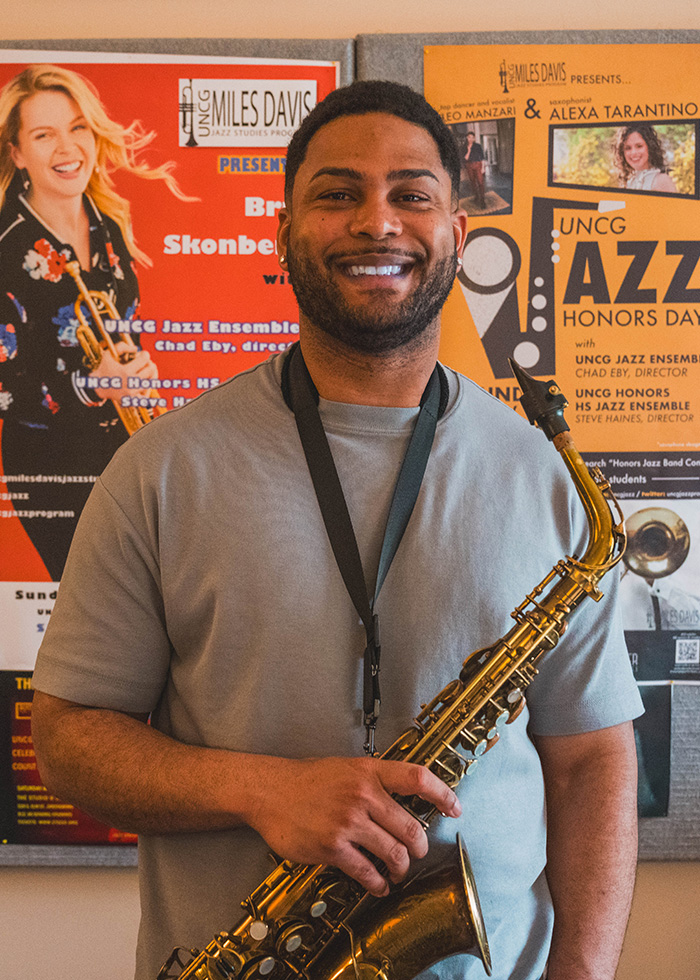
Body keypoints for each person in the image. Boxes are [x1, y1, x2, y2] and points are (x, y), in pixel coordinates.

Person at [30, 81, 643, 980]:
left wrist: (582, 974)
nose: (377, 222)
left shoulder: (542, 477)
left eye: (412, 195)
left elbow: (592, 757)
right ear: (284, 234)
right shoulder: (160, 469)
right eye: (337, 193)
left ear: (457, 238)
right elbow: (69, 739)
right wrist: (264, 789)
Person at [0, 64, 190, 579]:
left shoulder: (108, 225)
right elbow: (5, 391)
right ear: (17, 153)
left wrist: (133, 368)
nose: (67, 147)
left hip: (123, 448)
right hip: (50, 462)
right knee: (97, 618)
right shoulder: (6, 248)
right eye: (44, 134)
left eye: (76, 127)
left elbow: (121, 328)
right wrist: (93, 384)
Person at [613, 123, 677, 193]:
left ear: (650, 147)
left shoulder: (661, 180)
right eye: (628, 148)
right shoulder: (630, 182)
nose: (633, 153)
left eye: (639, 146)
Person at [463, 131, 486, 209]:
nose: (471, 139)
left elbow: (482, 157)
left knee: (480, 182)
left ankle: (482, 200)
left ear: (474, 138)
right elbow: (465, 158)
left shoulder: (478, 146)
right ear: (467, 138)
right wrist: (468, 150)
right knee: (472, 182)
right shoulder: (464, 147)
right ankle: (476, 196)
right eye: (469, 137)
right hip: (469, 165)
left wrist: (483, 167)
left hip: (477, 165)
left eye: (472, 137)